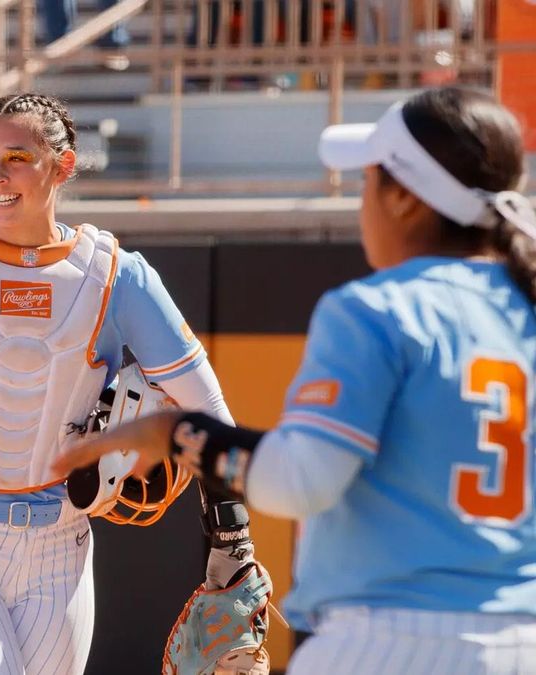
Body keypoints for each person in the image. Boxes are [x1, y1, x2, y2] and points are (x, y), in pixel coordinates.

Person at [54, 86, 536, 674]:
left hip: (389, 641)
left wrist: (176, 432)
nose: (364, 199)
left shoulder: (378, 309)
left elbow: (298, 480)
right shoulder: (524, 309)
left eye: (368, 182)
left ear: (406, 200)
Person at [0, 92, 269, 675]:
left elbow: (209, 409)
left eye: (17, 157)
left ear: (63, 165)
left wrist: (232, 536)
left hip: (60, 545)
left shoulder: (118, 276)